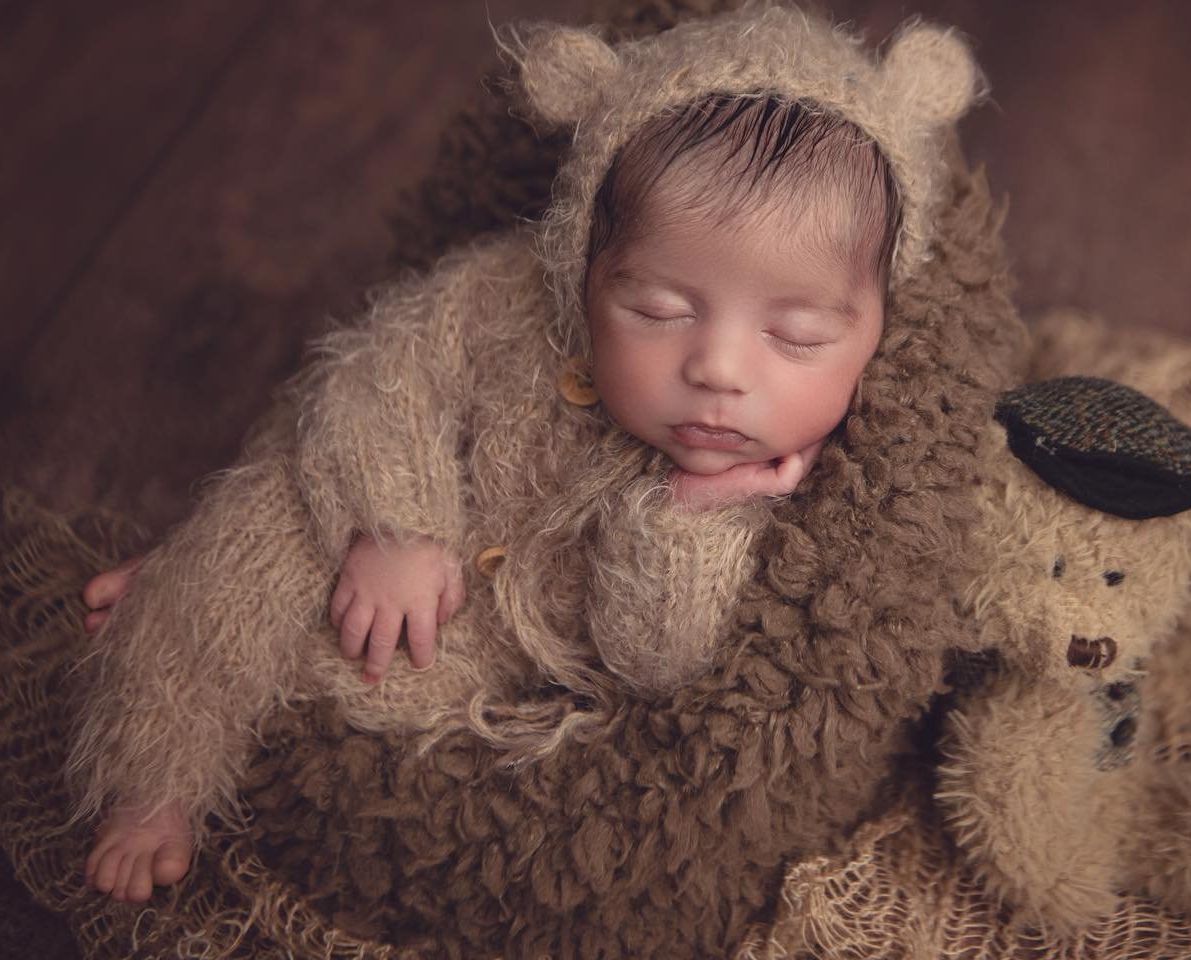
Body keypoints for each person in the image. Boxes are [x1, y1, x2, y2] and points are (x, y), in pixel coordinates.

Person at [68, 8, 1003, 950]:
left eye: (796, 337)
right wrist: (398, 525)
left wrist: (687, 522)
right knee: (253, 535)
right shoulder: (497, 295)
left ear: (877, 327)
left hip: (500, 674)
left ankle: (205, 639)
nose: (719, 368)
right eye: (657, 307)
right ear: (583, 266)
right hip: (399, 529)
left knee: (345, 689)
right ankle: (154, 781)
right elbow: (377, 379)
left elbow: (650, 664)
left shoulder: (788, 499)